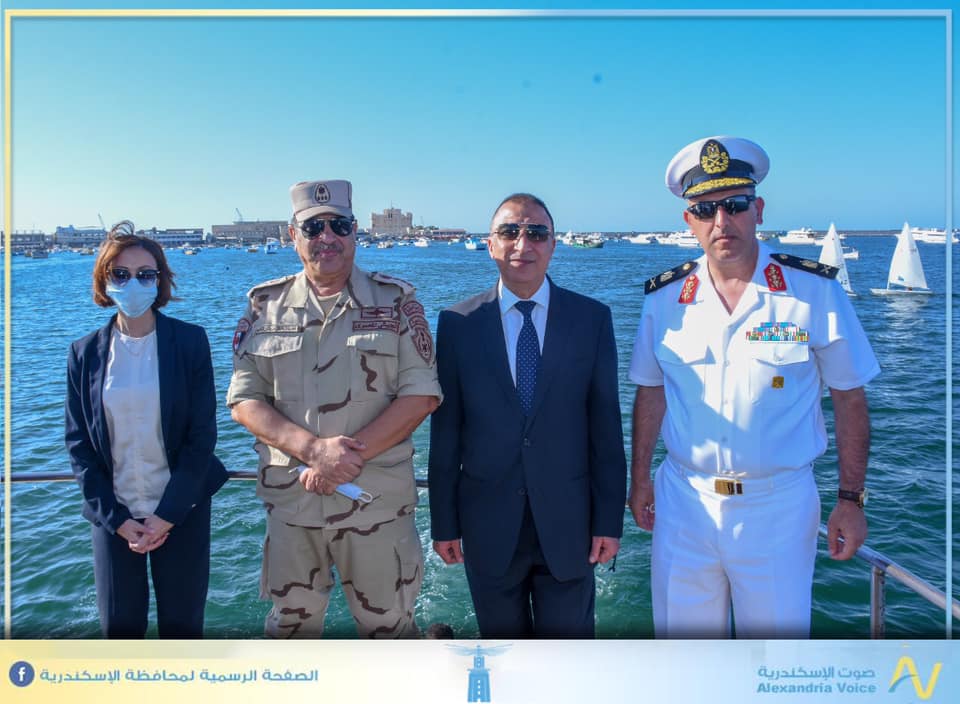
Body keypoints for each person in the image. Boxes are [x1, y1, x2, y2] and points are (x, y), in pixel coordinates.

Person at [628, 136, 879, 638]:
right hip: (685, 503)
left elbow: (849, 397)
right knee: (685, 658)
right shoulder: (664, 299)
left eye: (735, 205)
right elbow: (651, 392)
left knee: (774, 660)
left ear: (758, 210)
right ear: (689, 221)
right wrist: (639, 480)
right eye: (706, 209)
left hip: (778, 510)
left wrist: (851, 499)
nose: (722, 221)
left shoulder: (813, 292)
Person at [227, 179, 441, 638]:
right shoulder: (264, 306)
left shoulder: (396, 301)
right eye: (313, 227)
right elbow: (244, 400)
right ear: (293, 236)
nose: (327, 237)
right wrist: (312, 451)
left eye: (339, 226)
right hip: (293, 506)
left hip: (376, 506)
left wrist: (340, 460)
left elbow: (421, 394)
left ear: (355, 231)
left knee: (390, 630)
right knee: (291, 634)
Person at [428, 193, 626, 638]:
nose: (523, 243)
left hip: (571, 527)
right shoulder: (457, 324)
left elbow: (606, 430)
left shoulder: (591, 319)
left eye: (537, 233)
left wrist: (608, 522)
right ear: (490, 245)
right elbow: (447, 432)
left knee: (567, 661)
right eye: (510, 232)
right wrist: (445, 523)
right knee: (503, 660)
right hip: (488, 526)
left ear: (553, 244)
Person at [65, 221, 228, 638]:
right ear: (104, 280)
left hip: (182, 509)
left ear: (160, 280)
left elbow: (201, 437)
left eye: (145, 274)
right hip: (114, 517)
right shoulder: (84, 353)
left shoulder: (190, 342)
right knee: (120, 632)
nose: (133, 283)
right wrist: (117, 519)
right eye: (120, 274)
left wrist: (166, 515)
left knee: (183, 631)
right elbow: (79, 444)